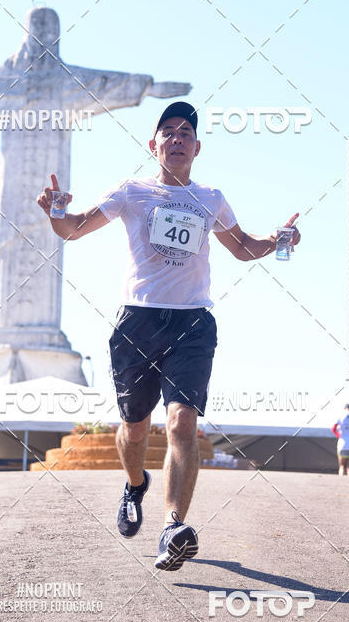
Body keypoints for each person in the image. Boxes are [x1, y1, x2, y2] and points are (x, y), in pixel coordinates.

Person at [36, 100, 301, 570]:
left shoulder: (211, 197)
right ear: (153, 144)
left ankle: (172, 527)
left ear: (197, 147)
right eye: (168, 132)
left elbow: (243, 249)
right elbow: (72, 230)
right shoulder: (131, 191)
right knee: (135, 429)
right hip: (137, 321)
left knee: (182, 424)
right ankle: (135, 483)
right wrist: (56, 208)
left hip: (192, 322)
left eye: (186, 133)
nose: (177, 138)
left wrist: (277, 240)